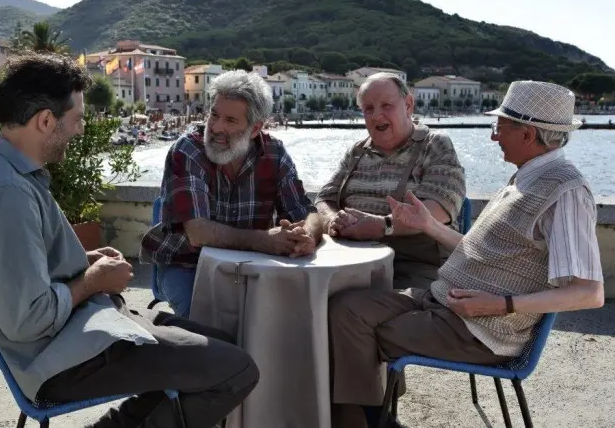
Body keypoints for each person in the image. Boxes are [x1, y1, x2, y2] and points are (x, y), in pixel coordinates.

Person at [0, 53, 259, 428]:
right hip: (58, 358)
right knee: (236, 370)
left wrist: (84, 259)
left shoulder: (6, 173)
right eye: (76, 120)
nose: (79, 130)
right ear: (46, 121)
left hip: (79, 329)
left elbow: (24, 267)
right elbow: (27, 320)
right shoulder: (5, 195)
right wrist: (92, 281)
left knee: (222, 343)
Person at [327, 81, 605, 428]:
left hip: (479, 329)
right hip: (442, 303)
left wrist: (501, 304)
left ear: (529, 134)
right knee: (344, 309)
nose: (493, 137)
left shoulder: (564, 191)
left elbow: (589, 293)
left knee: (355, 335)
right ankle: (367, 420)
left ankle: (365, 422)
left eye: (499, 127)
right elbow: (480, 251)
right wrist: (428, 225)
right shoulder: (526, 178)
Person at [141, 70, 322, 318]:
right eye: (214, 115)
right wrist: (266, 241)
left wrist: (307, 235)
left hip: (250, 263)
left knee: (287, 316)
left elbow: (306, 212)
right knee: (205, 325)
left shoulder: (274, 153)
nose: (216, 127)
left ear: (255, 128)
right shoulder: (188, 150)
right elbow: (198, 232)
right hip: (187, 263)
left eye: (230, 120)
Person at [316, 73, 466, 289]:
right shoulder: (357, 151)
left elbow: (439, 208)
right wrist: (332, 221)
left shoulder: (435, 145)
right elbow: (324, 198)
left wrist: (381, 226)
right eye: (369, 109)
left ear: (408, 104)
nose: (377, 116)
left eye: (386, 105)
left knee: (349, 306)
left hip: (413, 269)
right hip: (349, 261)